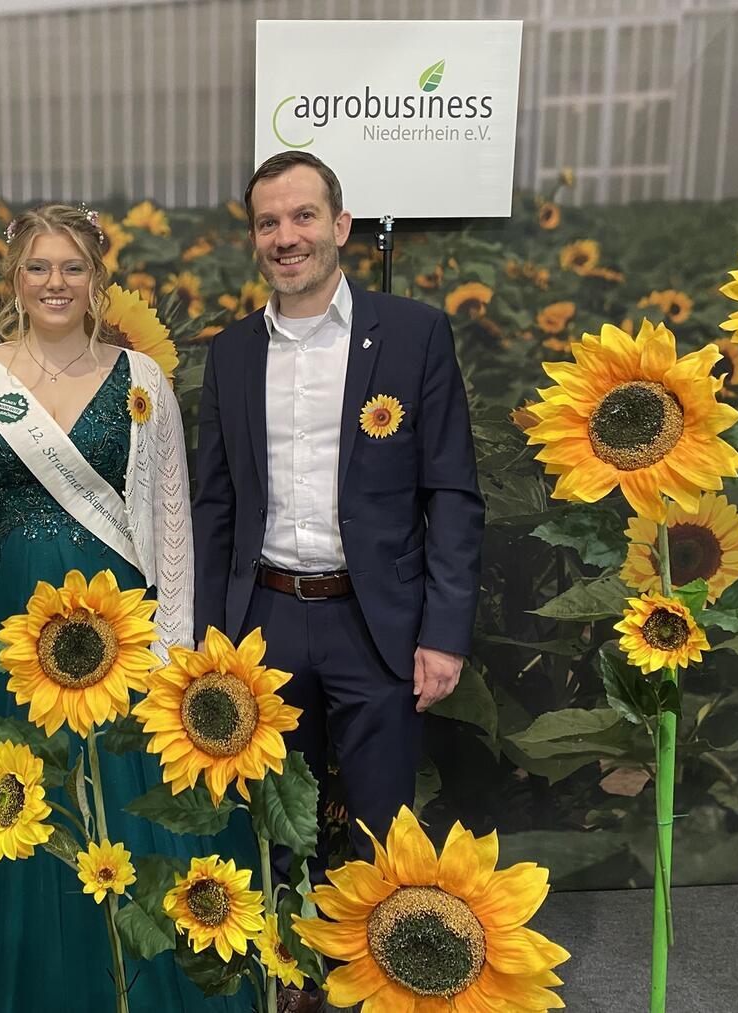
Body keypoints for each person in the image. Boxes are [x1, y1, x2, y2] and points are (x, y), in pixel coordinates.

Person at [0, 204, 254, 1013]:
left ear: (98, 279)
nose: (56, 283)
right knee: (15, 806)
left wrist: (175, 642)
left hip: (118, 624)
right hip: (3, 624)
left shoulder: (143, 380)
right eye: (40, 267)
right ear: (15, 279)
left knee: (123, 814)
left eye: (73, 267)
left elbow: (169, 518)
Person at [193, 151, 484, 869]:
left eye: (302, 216)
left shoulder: (415, 335)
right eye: (268, 222)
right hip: (262, 618)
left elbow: (451, 492)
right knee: (271, 824)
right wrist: (207, 633)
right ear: (254, 239)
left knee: (381, 827)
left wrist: (444, 634)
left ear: (341, 224)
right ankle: (284, 979)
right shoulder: (229, 353)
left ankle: (360, 978)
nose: (286, 236)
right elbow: (214, 504)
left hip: (375, 620)